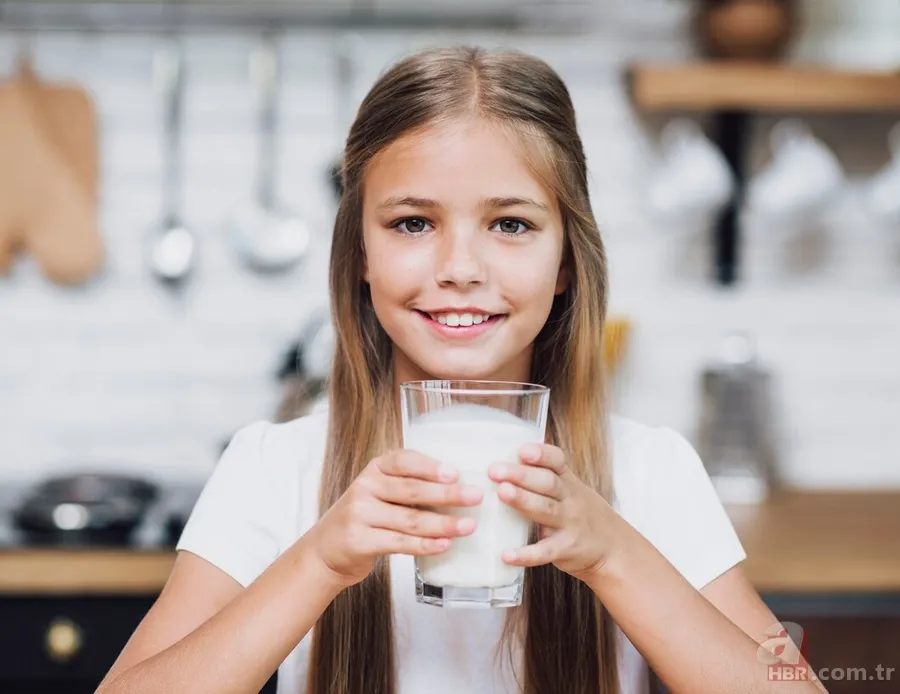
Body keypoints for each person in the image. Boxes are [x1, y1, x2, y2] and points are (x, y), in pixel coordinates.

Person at [97, 46, 823, 694]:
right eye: (413, 223)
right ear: (360, 256)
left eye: (511, 224)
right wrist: (317, 561)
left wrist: (615, 556)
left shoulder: (650, 472)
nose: (460, 270)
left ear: (567, 259)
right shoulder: (274, 467)